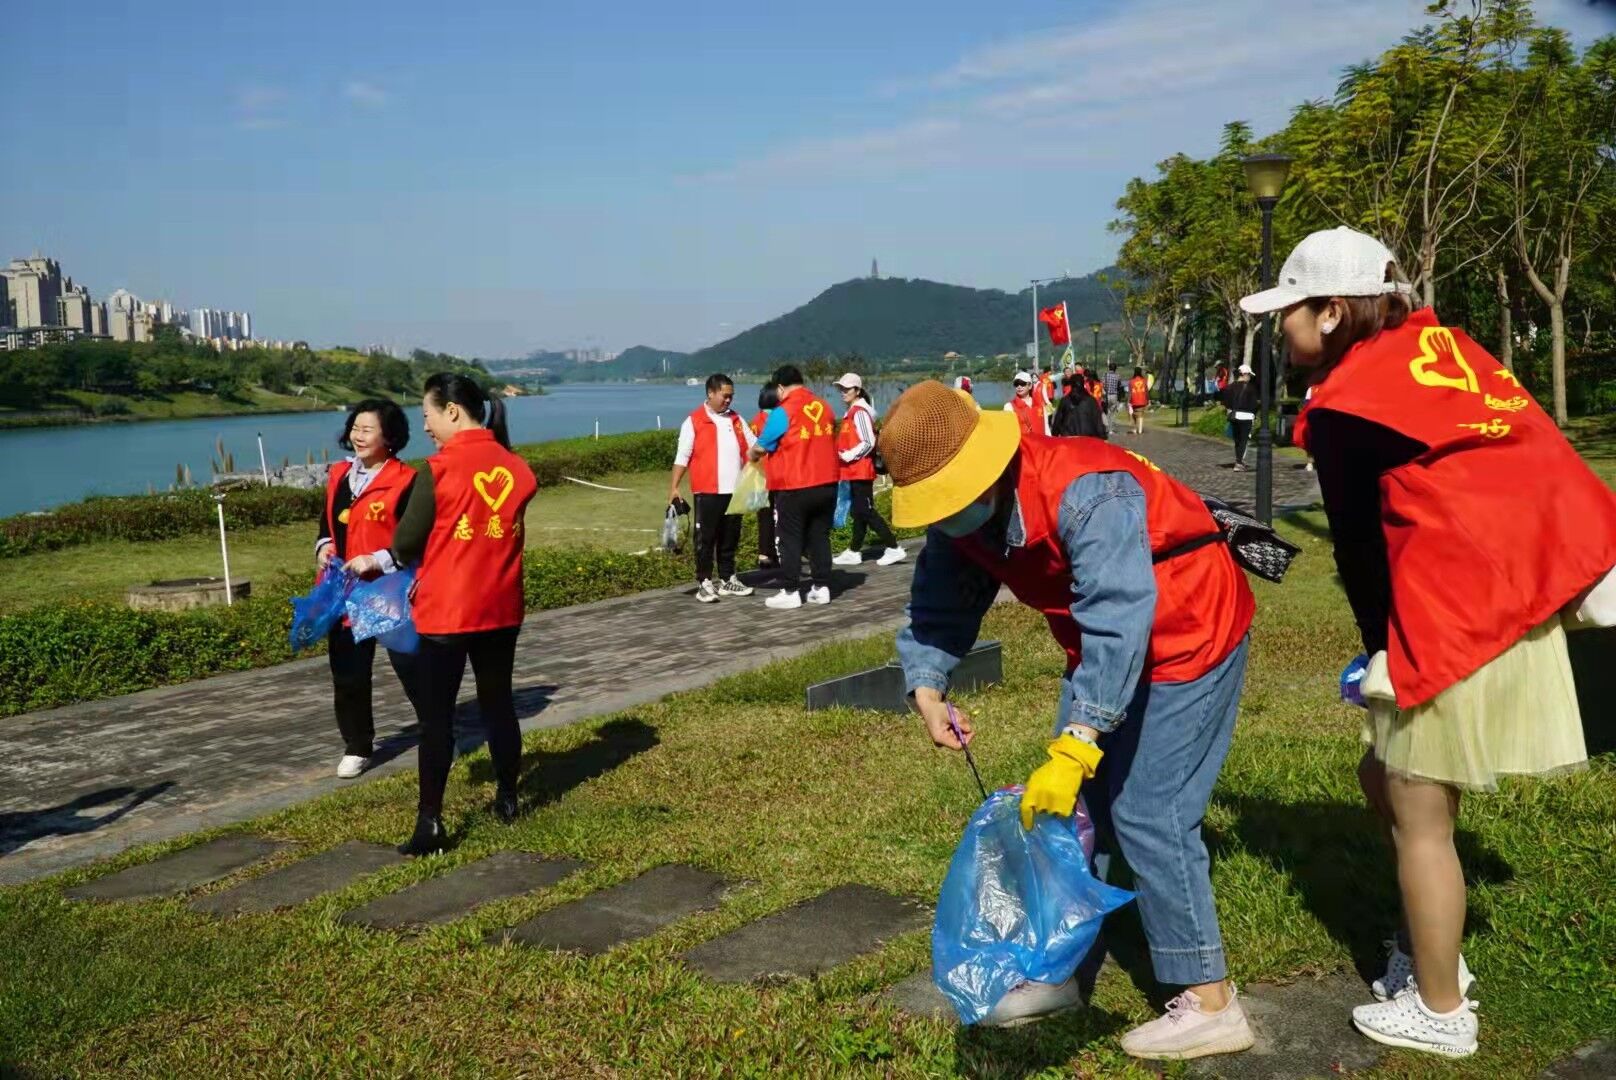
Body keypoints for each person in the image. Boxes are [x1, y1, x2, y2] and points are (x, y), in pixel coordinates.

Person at [1240, 226, 1616, 1058]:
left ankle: (1440, 1009)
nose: (1282, 330)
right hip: (1521, 591)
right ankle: (1431, 942)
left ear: (1333, 311)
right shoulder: (1438, 344)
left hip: (1455, 610)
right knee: (1384, 776)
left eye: (1290, 312)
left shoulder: (1343, 409)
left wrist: (1380, 654)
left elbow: (1364, 554)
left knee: (1417, 807)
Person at [883, 380, 1257, 1059]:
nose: (950, 517)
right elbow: (939, 607)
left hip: (1192, 628)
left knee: (1151, 813)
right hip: (1101, 647)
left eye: (954, 495)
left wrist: (1081, 737)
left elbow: (1120, 618)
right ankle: (1061, 965)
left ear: (990, 467)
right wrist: (928, 688)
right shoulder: (965, 521)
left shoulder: (1090, 489)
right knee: (1075, 812)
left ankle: (1211, 999)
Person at [350, 374, 539, 857]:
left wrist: (376, 561)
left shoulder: (437, 469)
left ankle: (430, 822)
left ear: (453, 410)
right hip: (501, 606)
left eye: (429, 414)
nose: (427, 426)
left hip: (447, 612)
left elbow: (407, 543)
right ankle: (509, 798)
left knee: (437, 720)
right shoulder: (517, 467)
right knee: (498, 703)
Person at [316, 399, 420, 779]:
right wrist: (324, 546)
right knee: (348, 673)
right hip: (341, 589)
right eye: (354, 428)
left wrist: (378, 559)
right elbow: (326, 525)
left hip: (386, 590)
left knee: (410, 667)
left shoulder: (407, 480)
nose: (357, 436)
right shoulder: (339, 475)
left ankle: (438, 731)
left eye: (367, 429)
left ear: (389, 437)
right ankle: (357, 745)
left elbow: (416, 540)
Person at [750, 364, 839, 609]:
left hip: (795, 484)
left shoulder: (783, 411)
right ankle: (821, 587)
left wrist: (751, 455)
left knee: (790, 537)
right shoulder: (825, 406)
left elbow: (762, 445)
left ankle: (790, 590)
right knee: (819, 536)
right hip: (828, 483)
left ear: (780, 388)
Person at [670, 373, 757, 603]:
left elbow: (754, 446)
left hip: (735, 490)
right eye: (725, 396)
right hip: (707, 490)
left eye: (731, 396)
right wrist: (675, 487)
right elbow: (683, 455)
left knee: (730, 537)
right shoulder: (694, 420)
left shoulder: (737, 420)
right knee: (705, 539)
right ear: (711, 393)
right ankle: (704, 582)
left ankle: (728, 578)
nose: (729, 400)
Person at [832, 373, 906, 568]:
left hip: (860, 470)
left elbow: (868, 441)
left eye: (847, 389)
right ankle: (854, 551)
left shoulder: (860, 412)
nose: (843, 392)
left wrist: (848, 455)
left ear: (857, 390)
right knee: (858, 512)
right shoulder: (853, 412)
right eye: (841, 388)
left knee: (865, 510)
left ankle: (893, 547)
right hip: (853, 471)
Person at [750, 384, 780, 570]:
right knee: (780, 514)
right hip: (775, 473)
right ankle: (778, 551)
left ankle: (764, 553)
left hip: (758, 475)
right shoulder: (776, 418)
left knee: (763, 515)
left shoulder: (755, 420)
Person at [1217, 365, 1258, 471]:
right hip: (1247, 416)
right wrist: (1255, 414)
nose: (1249, 377)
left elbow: (1225, 401)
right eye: (1249, 375)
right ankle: (1239, 462)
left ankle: (1238, 460)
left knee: (1237, 440)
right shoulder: (1250, 388)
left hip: (1234, 416)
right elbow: (1254, 405)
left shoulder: (1229, 387)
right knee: (1244, 440)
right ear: (1244, 374)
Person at [1050, 373, 1105, 438]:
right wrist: (1102, 436)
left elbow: (1058, 420)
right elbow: (1098, 421)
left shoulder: (1065, 400)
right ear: (1083, 383)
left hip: (1068, 438)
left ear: (1071, 385)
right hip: (1088, 438)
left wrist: (1054, 434)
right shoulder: (1091, 401)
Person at [1004, 371, 1047, 437]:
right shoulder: (1009, 407)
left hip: (1041, 445)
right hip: (1023, 446)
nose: (1019, 386)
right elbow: (1009, 432)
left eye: (1022, 383)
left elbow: (1046, 428)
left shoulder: (1040, 404)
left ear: (1030, 386)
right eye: (1016, 384)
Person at [1128, 367, 1150, 435]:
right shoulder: (1144, 380)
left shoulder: (1131, 381)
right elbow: (1146, 391)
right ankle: (1140, 430)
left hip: (1133, 400)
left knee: (1134, 414)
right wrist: (1148, 399)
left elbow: (1130, 392)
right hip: (1142, 400)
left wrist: (1128, 401)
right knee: (1140, 414)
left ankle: (1135, 429)